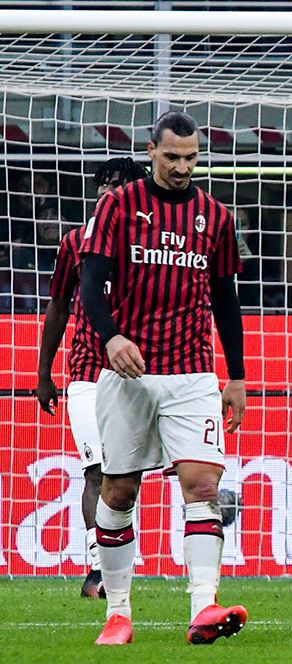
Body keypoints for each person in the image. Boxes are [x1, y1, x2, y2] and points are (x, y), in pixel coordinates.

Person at [79, 111, 248, 645]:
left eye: (191, 158)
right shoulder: (116, 208)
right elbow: (89, 284)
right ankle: (119, 612)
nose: (181, 167)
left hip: (193, 373)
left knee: (202, 483)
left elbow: (225, 297)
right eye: (171, 157)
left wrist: (237, 376)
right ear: (150, 151)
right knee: (119, 490)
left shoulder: (215, 217)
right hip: (127, 373)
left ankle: (204, 607)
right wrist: (110, 337)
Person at [35, 157, 147, 600]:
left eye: (117, 185)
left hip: (141, 373)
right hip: (86, 372)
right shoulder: (74, 243)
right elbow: (58, 306)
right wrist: (44, 374)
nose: (105, 192)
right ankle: (97, 570)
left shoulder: (148, 246)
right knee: (97, 471)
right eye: (102, 184)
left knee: (132, 475)